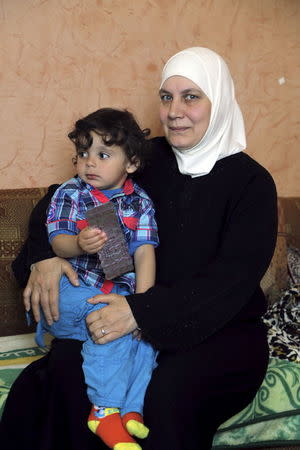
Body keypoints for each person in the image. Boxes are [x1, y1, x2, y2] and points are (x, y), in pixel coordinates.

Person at [1, 47, 277, 450]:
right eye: (166, 97)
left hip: (219, 332)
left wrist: (140, 312)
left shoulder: (252, 184)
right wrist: (45, 254)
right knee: (64, 373)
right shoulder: (149, 159)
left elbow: (230, 282)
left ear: (219, 101)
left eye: (191, 96)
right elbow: (62, 196)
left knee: (166, 396)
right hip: (127, 310)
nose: (175, 110)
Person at [35, 108, 159, 450]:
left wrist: (141, 307)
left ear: (130, 163)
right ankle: (104, 412)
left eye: (103, 155)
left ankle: (132, 411)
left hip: (116, 294)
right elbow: (56, 240)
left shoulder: (141, 202)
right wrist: (77, 244)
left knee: (146, 339)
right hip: (72, 291)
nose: (89, 162)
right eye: (83, 153)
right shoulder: (70, 193)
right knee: (107, 322)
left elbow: (145, 252)